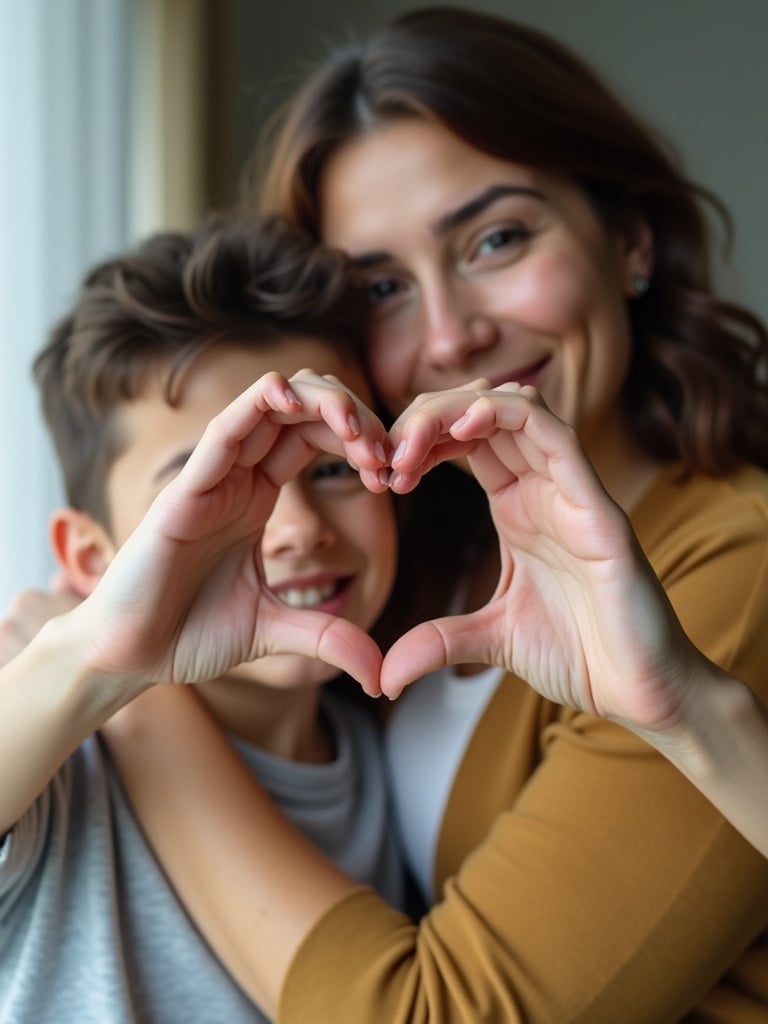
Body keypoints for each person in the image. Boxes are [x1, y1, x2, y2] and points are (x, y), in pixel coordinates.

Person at [91, 6, 768, 1022]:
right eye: (382, 285)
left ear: (630, 239)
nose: (453, 334)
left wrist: (134, 699)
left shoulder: (733, 563)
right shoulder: (398, 543)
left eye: (497, 238)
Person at [0, 211, 410, 1022]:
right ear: (90, 557)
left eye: (328, 468)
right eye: (217, 484)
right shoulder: (54, 763)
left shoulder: (383, 753)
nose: (297, 528)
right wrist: (81, 661)